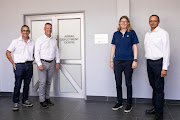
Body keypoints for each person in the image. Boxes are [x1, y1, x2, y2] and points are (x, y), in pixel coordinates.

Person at [110, 16, 139, 113]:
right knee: (118, 83)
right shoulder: (116, 34)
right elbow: (113, 47)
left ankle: (129, 104)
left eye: (125, 21)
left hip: (128, 61)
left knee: (128, 83)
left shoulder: (132, 33)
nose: (123, 23)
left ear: (128, 23)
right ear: (119, 23)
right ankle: (119, 102)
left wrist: (135, 60)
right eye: (122, 21)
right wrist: (111, 60)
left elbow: (135, 47)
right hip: (117, 61)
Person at [144, 15, 170, 120]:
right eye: (151, 21)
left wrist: (164, 68)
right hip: (149, 62)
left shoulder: (163, 33)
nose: (152, 22)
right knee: (153, 86)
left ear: (158, 22)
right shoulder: (147, 34)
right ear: (149, 22)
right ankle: (155, 107)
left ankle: (159, 112)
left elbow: (166, 51)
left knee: (159, 88)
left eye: (155, 21)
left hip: (159, 63)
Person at [6, 25, 34, 111]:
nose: (25, 32)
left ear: (29, 32)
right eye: (24, 30)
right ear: (21, 32)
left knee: (27, 84)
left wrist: (32, 60)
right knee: (18, 84)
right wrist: (13, 63)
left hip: (29, 65)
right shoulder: (15, 41)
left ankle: (25, 100)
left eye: (27, 30)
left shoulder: (32, 42)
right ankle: (16, 102)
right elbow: (7, 52)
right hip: (19, 66)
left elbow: (35, 53)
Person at [35, 23, 60, 108]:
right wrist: (39, 63)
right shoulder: (39, 39)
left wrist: (57, 62)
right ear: (44, 29)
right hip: (43, 63)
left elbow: (56, 51)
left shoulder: (54, 40)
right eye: (47, 28)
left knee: (49, 82)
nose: (49, 30)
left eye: (50, 28)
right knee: (42, 83)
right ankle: (42, 100)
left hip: (51, 63)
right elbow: (36, 53)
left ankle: (47, 98)